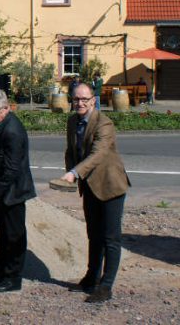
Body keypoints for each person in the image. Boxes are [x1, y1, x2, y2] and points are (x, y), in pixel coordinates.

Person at [60, 83, 130, 303]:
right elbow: (71, 150)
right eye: (76, 99)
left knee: (110, 238)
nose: (79, 103)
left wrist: (75, 173)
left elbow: (98, 154)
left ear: (93, 100)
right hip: (89, 185)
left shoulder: (104, 123)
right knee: (94, 235)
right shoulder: (72, 121)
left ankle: (106, 286)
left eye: (84, 99)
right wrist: (70, 171)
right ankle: (91, 277)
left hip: (110, 185)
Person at [0, 89, 36, 293]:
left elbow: (12, 168)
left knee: (14, 235)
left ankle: (13, 278)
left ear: (6, 108)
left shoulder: (12, 130)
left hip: (13, 191)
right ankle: (0, 271)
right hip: (1, 189)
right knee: (2, 234)